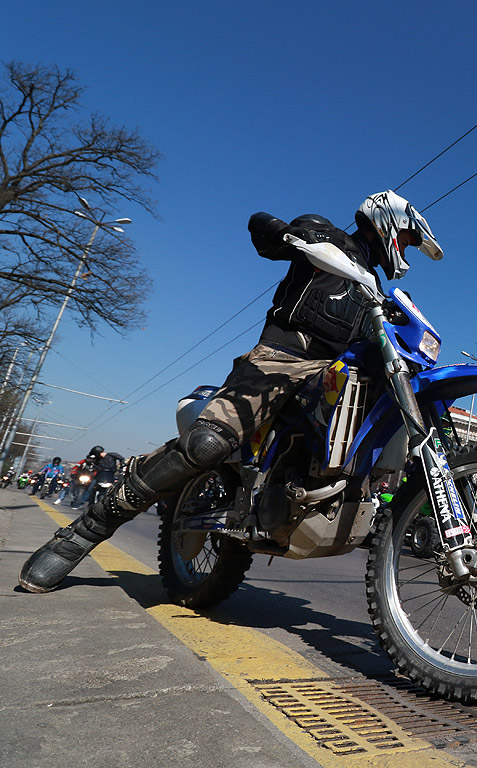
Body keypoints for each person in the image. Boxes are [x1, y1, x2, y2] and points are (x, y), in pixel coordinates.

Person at [20, 190, 442, 593]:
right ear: (388, 221)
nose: (405, 248)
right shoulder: (325, 236)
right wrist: (287, 232)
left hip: (332, 372)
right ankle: (83, 532)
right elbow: (264, 231)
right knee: (206, 445)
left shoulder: (377, 291)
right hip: (282, 356)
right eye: (407, 237)